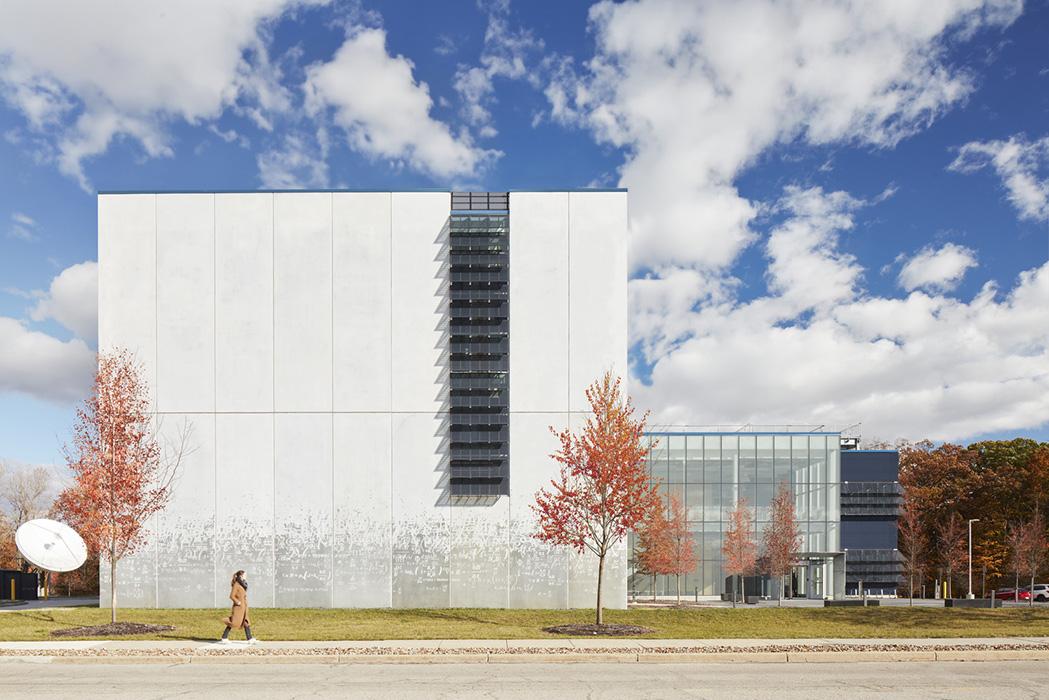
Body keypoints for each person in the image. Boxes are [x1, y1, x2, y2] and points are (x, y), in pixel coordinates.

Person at [219, 570, 257, 644]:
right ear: (241, 576)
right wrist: (238, 602)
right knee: (234, 622)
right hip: (238, 608)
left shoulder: (243, 584)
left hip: (244, 607)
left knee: (246, 622)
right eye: (245, 575)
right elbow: (231, 596)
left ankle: (250, 639)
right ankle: (224, 637)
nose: (246, 576)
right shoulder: (236, 584)